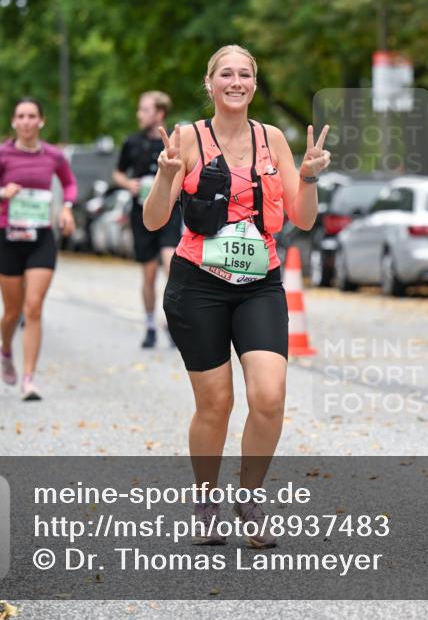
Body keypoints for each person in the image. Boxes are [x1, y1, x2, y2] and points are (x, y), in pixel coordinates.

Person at [143, 45, 329, 547]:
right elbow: (154, 219)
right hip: (197, 283)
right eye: (226, 73)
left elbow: (304, 217)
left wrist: (309, 176)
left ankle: (249, 496)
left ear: (254, 83)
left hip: (260, 283)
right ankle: (206, 501)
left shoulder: (272, 139)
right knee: (217, 403)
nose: (236, 81)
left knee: (268, 396)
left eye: (245, 74)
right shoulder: (186, 137)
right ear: (210, 83)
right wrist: (165, 175)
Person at [0, 98, 77, 401]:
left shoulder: (54, 156)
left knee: (33, 308)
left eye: (32, 116)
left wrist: (67, 208)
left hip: (40, 238)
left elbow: (69, 185)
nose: (27, 121)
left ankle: (29, 379)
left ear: (41, 121)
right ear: (13, 122)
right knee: (12, 312)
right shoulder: (0, 154)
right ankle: (6, 350)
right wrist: (0, 192)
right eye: (21, 116)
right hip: (9, 237)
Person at [112, 91, 183, 348]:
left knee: (171, 266)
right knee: (149, 274)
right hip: (141, 213)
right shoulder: (132, 142)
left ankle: (173, 322)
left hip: (170, 212)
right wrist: (128, 184)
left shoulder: (175, 142)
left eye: (144, 110)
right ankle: (151, 324)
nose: (139, 114)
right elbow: (117, 174)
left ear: (159, 114)